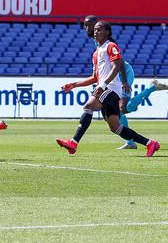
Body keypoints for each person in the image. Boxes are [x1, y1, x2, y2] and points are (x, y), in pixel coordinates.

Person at [56, 21, 160, 157]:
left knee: (88, 106)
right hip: (105, 88)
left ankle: (73, 143)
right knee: (115, 127)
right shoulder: (96, 53)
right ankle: (150, 143)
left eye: (99, 29)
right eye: (95, 30)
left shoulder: (111, 46)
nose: (95, 32)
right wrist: (74, 84)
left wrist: (103, 85)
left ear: (107, 32)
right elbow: (94, 77)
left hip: (111, 89)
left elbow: (116, 67)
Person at [78, 16, 168, 149]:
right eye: (85, 26)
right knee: (120, 112)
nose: (87, 28)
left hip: (122, 74)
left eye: (89, 25)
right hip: (113, 78)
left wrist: (124, 81)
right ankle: (131, 142)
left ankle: (151, 88)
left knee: (122, 109)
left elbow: (118, 62)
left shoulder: (107, 41)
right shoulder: (96, 41)